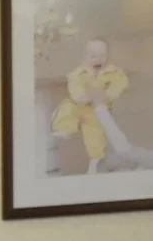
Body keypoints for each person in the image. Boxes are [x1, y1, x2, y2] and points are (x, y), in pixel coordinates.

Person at [53, 39, 130, 175]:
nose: (98, 59)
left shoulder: (113, 72)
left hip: (97, 110)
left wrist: (108, 94)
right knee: (67, 107)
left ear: (107, 56)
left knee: (95, 136)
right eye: (93, 56)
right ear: (85, 57)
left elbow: (121, 83)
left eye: (102, 55)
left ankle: (95, 161)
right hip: (80, 105)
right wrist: (81, 96)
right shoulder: (78, 73)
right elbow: (74, 85)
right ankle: (64, 129)